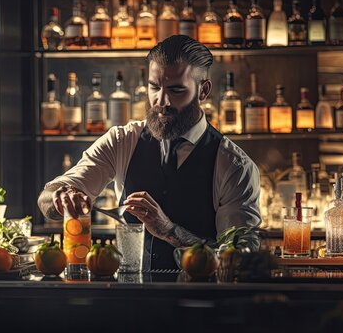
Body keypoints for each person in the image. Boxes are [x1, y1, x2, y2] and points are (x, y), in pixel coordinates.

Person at [38, 35, 261, 270]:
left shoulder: (235, 165)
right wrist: (59, 197)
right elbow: (46, 199)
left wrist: (169, 231)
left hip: (202, 298)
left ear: (203, 90)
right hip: (130, 296)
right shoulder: (121, 141)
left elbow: (238, 260)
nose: (161, 101)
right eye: (154, 87)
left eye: (176, 90)